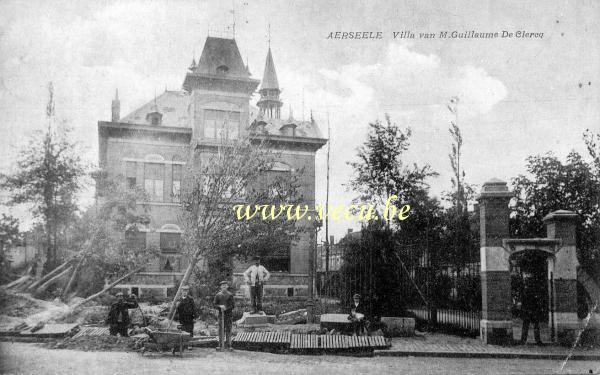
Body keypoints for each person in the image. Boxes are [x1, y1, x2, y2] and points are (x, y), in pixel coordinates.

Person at [519, 272, 543, 345]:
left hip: (529, 310)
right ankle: (537, 340)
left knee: (528, 326)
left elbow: (523, 301)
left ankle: (524, 340)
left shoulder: (526, 290)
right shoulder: (532, 290)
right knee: (532, 326)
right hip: (531, 310)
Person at [213, 281, 235, 351]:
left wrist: (226, 308)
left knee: (228, 330)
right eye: (222, 286)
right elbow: (214, 304)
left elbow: (233, 305)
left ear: (227, 286)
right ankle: (220, 345)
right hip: (221, 316)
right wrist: (220, 306)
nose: (224, 287)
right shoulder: (218, 295)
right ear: (220, 287)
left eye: (225, 285)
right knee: (221, 330)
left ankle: (228, 345)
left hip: (228, 315)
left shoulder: (230, 295)